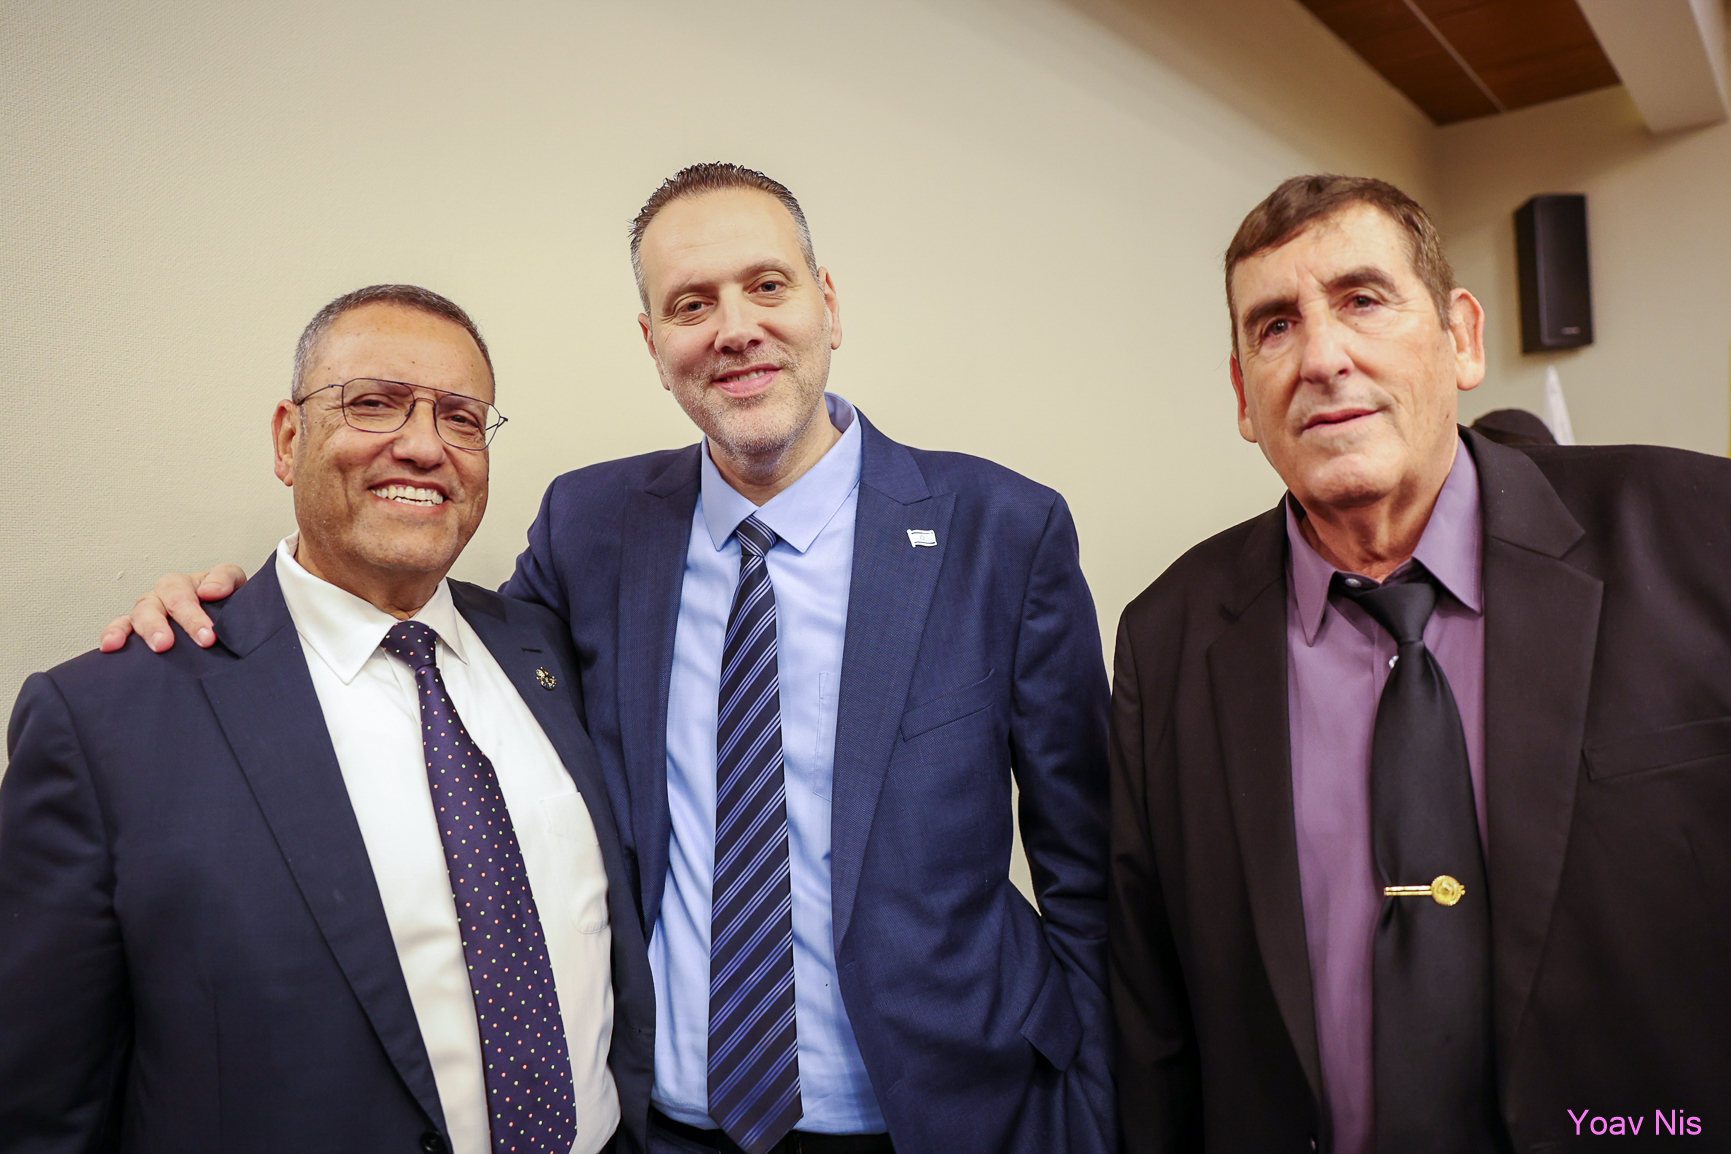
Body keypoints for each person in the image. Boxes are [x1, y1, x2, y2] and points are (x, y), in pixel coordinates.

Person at [99, 165, 1114, 1154]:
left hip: (949, 1112)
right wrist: (251, 615)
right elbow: (445, 648)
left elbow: (1087, 868)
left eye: (767, 285)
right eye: (690, 303)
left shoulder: (1000, 530)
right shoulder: (592, 526)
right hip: (666, 1122)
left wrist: (1098, 1114)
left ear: (828, 304)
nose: (734, 328)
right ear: (654, 343)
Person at [1108, 174, 1731, 1152]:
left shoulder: (1695, 534)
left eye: (1362, 300)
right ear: (1242, 395)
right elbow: (1151, 1016)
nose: (1321, 358)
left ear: (1462, 339)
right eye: (1275, 326)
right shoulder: (1168, 639)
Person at [2, 285, 654, 1153]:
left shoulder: (549, 652)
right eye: (374, 403)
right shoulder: (106, 721)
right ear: (288, 439)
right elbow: (41, 1106)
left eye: (461, 418)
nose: (423, 445)